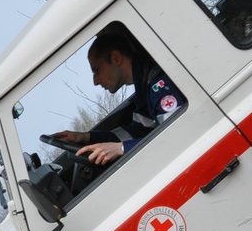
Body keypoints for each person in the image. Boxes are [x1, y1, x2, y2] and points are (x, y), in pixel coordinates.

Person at [52, 23, 188, 166]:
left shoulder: (157, 84)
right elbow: (139, 130)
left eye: (96, 70)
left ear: (116, 58)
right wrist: (86, 137)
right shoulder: (143, 85)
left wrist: (121, 149)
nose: (95, 81)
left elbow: (178, 133)